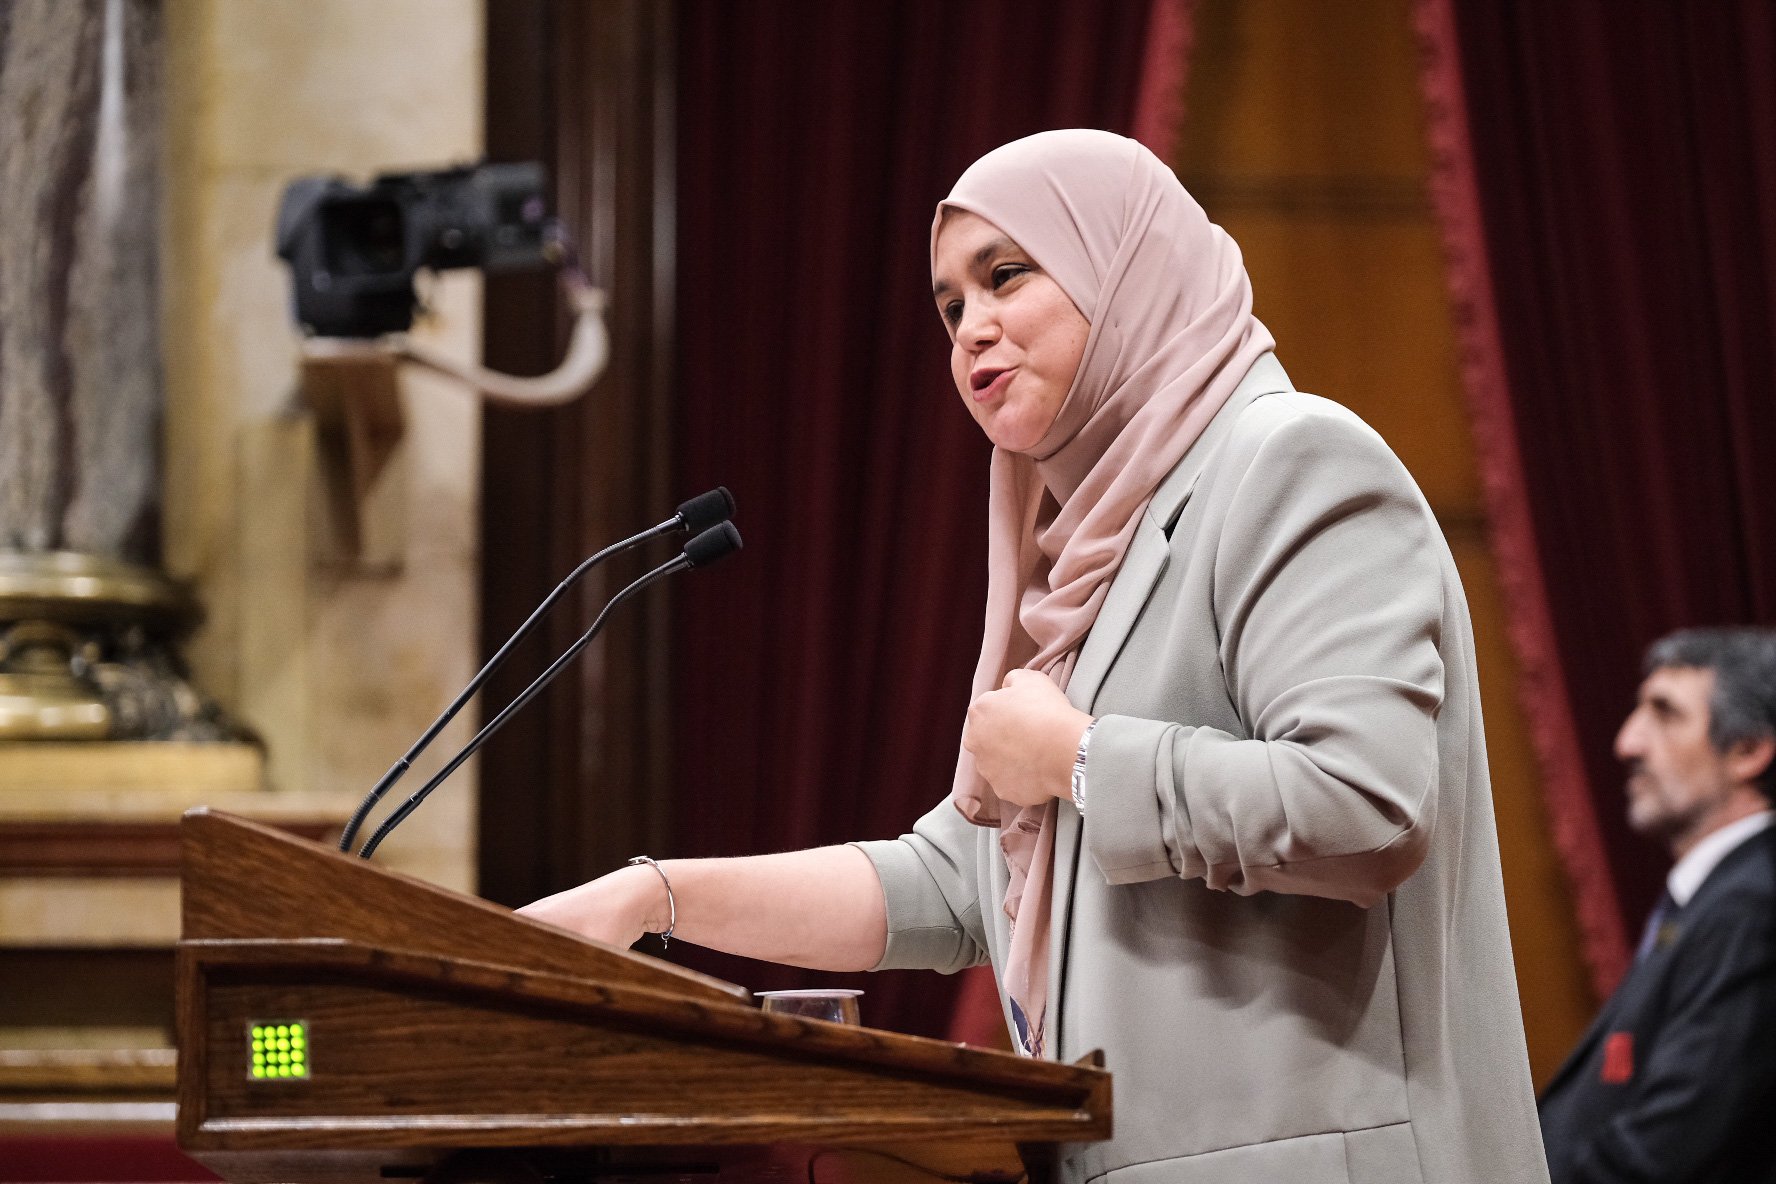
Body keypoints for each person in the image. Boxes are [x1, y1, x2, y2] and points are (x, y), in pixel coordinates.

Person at [520, 129, 1548, 1182]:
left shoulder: (1292, 462)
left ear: (1126, 265)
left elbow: (1366, 804)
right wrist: (649, 898)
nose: (973, 329)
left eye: (1006, 274)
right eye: (951, 305)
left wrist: (1079, 756)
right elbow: (957, 882)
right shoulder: (1082, 555)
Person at [1538, 627, 1776, 1182]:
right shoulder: (1715, 899)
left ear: (1747, 751)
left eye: (1665, 714)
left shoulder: (1753, 908)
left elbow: (1669, 1146)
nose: (1627, 743)